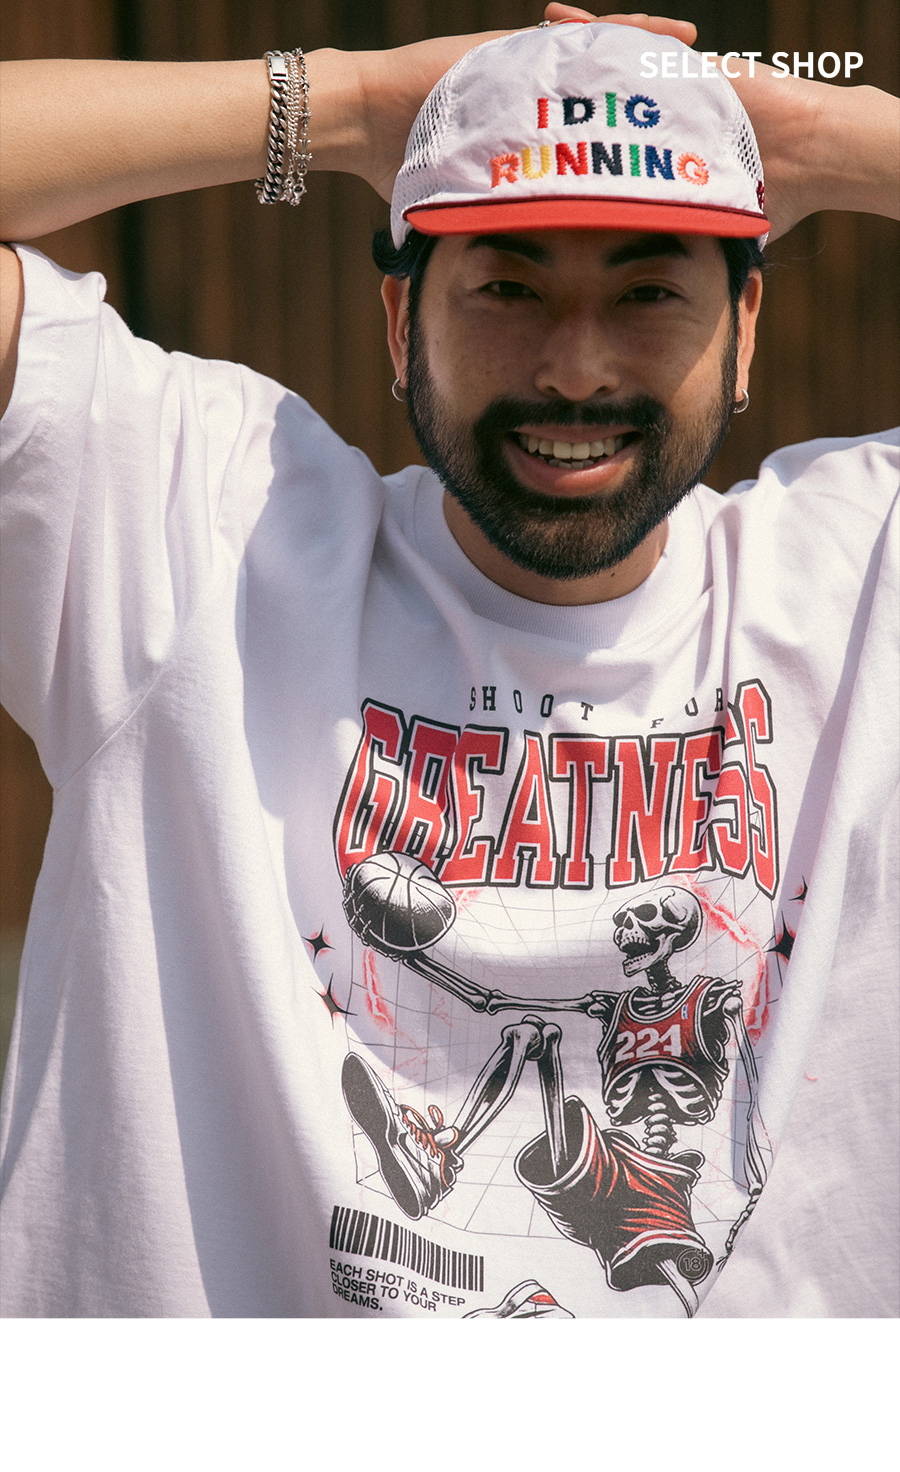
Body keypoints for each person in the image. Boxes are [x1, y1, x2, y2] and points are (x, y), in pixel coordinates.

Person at [0, 8, 897, 1319]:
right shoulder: (200, 536)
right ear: (398, 317)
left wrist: (817, 139)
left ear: (745, 325)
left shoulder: (862, 583)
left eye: (649, 291)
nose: (575, 370)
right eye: (507, 288)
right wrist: (354, 108)